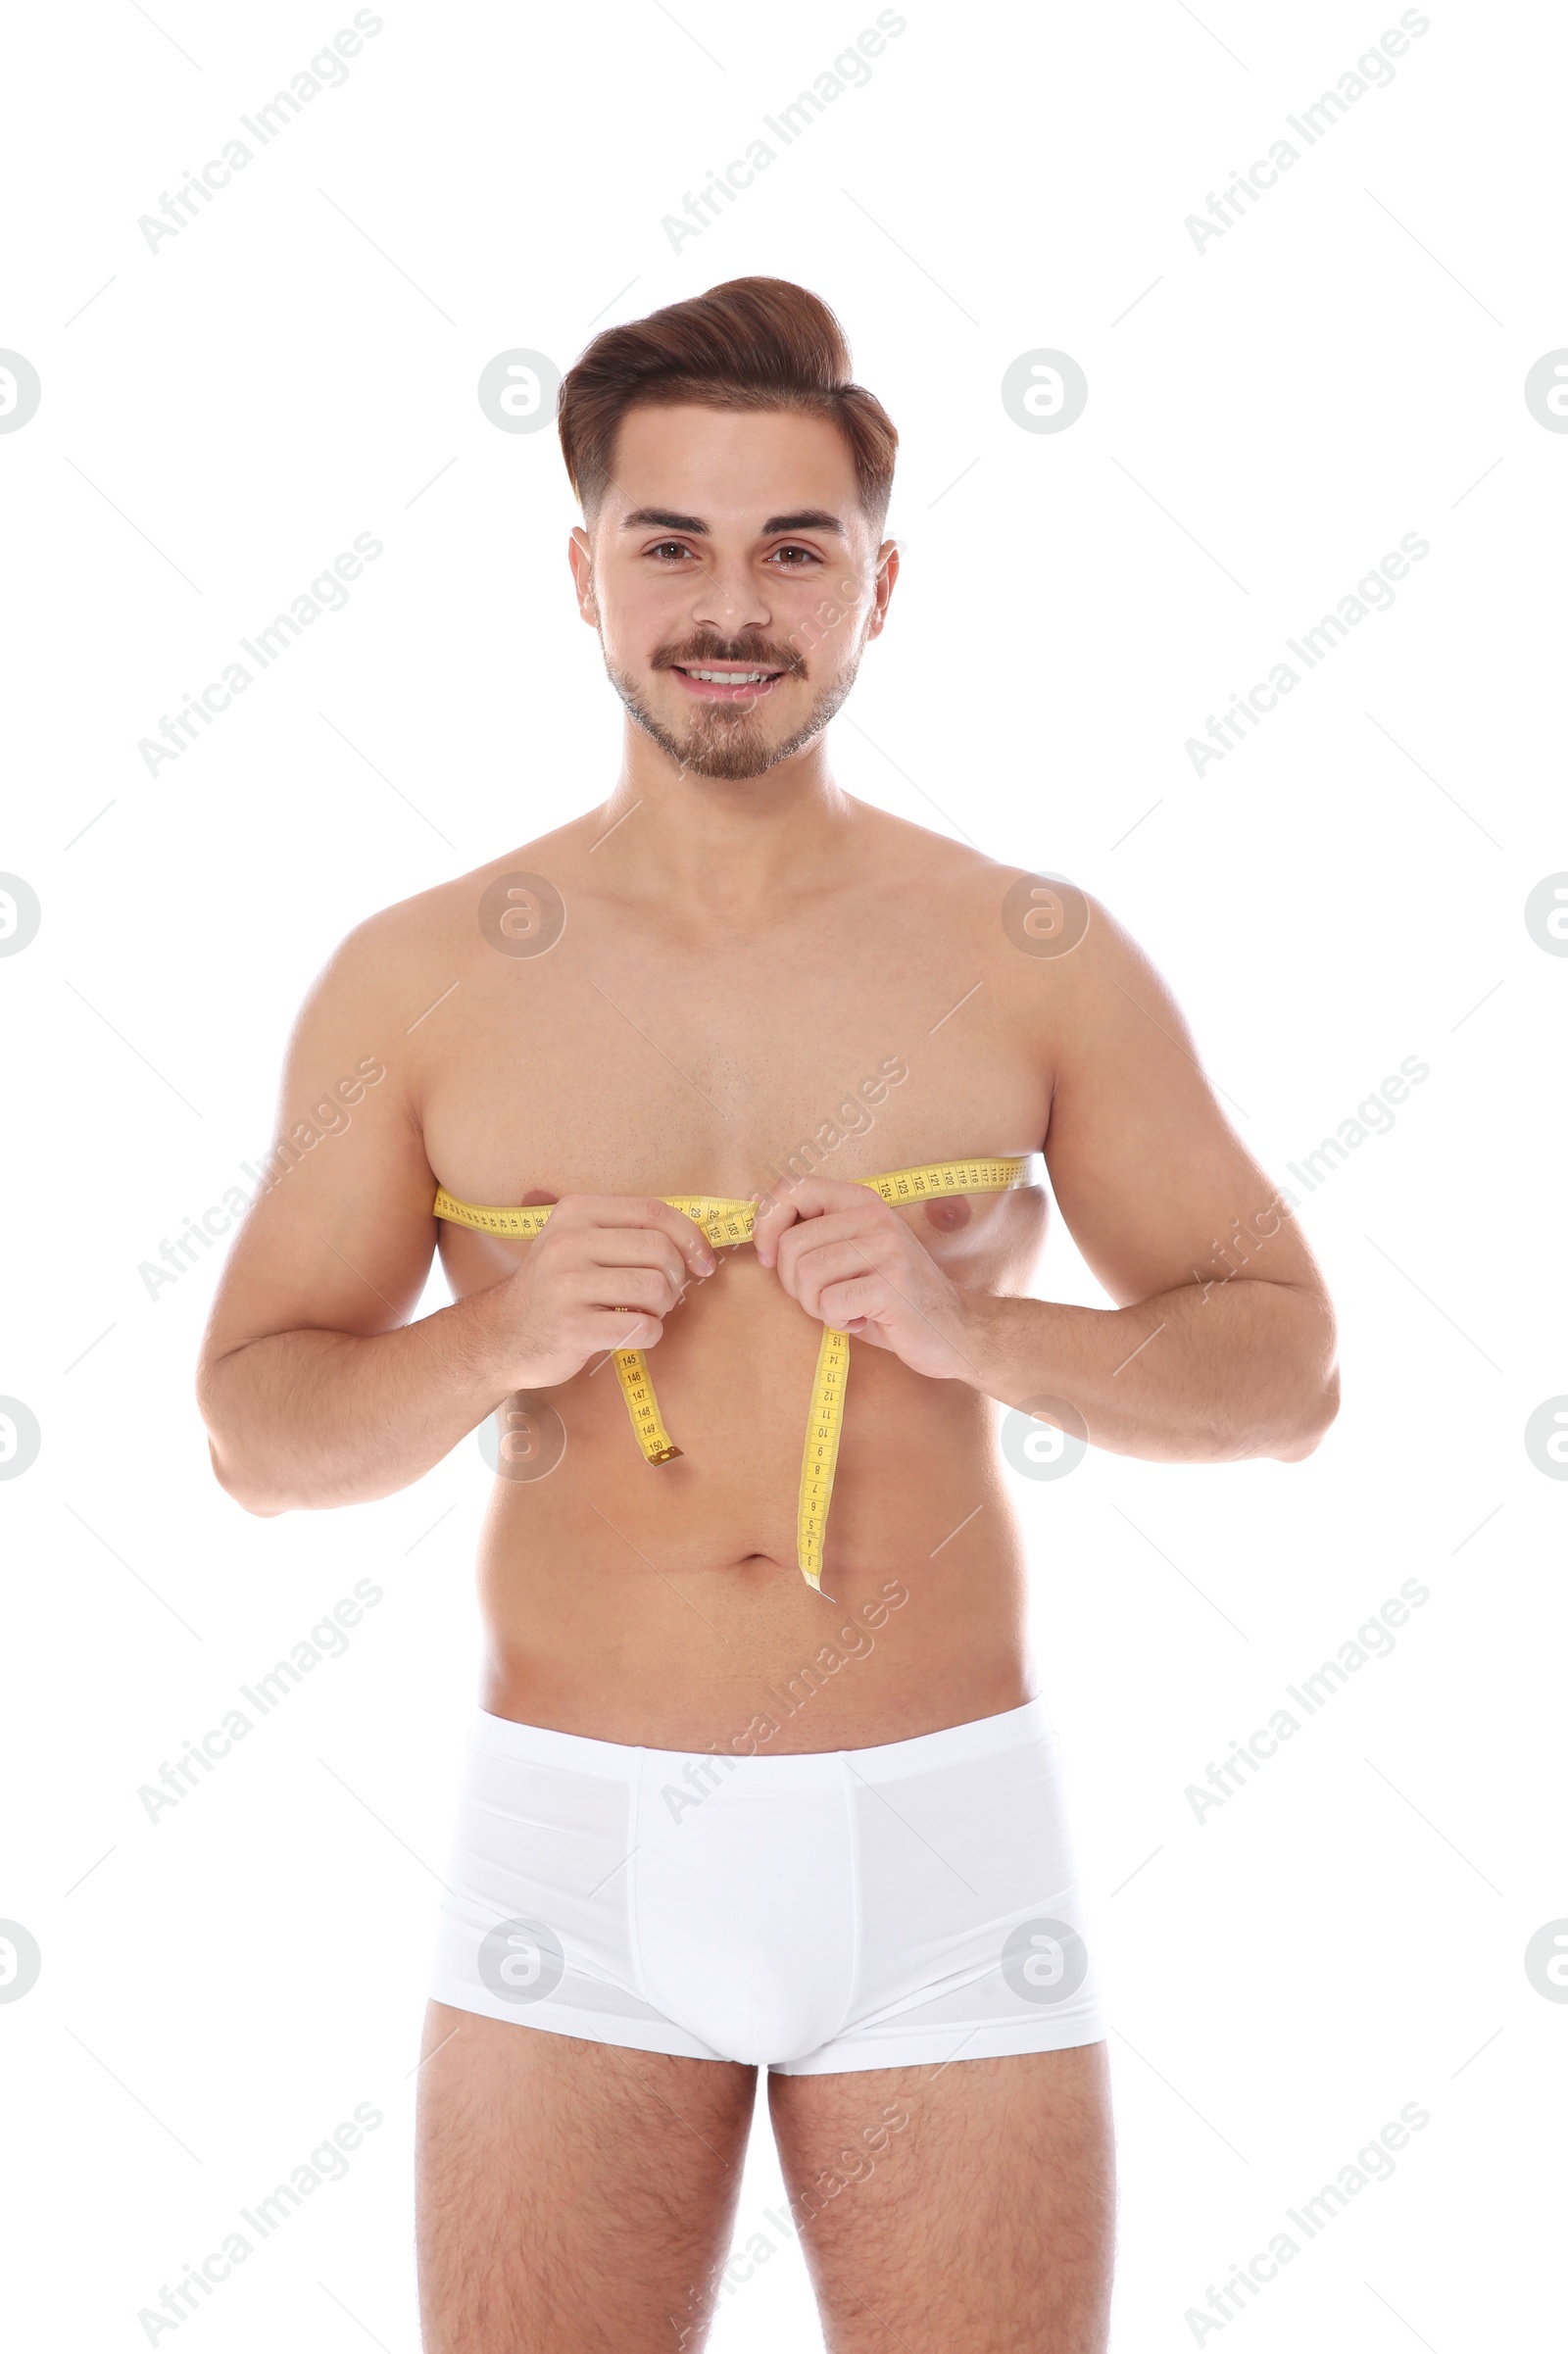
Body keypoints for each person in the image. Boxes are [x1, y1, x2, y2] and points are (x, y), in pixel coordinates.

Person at [196, 275, 1339, 2353]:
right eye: (672, 544)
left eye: (792, 547)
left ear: (877, 585)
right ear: (582, 574)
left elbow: (1281, 1369)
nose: (732, 603)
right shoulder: (418, 977)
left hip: (934, 1835)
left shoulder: (1029, 953)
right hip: (577, 1845)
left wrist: (977, 1328)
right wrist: (495, 1338)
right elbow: (255, 1431)